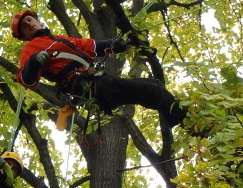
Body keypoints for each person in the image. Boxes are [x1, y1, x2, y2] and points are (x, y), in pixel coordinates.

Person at [10, 10, 187, 127]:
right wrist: (34, 61)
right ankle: (189, 121)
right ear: (23, 36)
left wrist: (119, 44)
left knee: (154, 84)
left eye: (29, 20)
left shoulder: (60, 40)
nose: (29, 24)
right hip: (87, 87)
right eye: (24, 27)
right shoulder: (30, 48)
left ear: (38, 20)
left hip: (96, 81)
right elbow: (26, 80)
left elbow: (91, 45)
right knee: (152, 89)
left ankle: (173, 117)